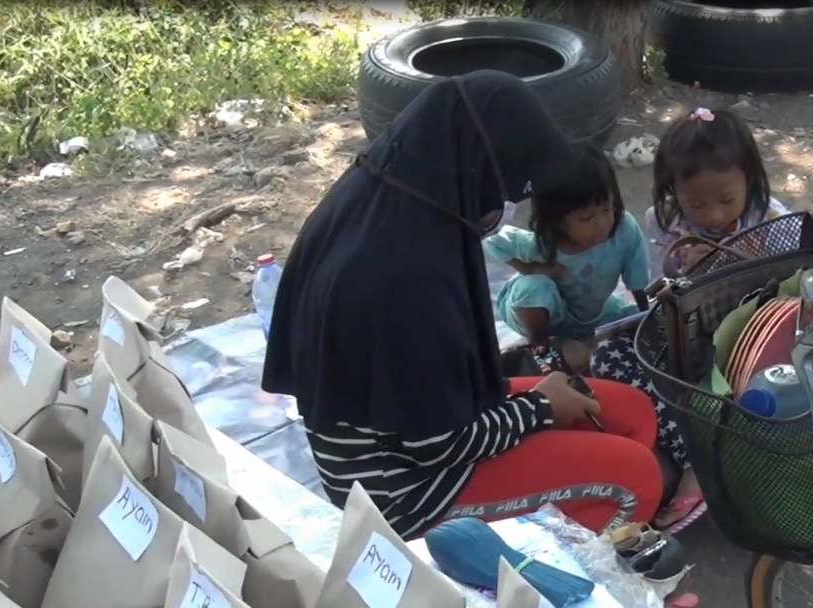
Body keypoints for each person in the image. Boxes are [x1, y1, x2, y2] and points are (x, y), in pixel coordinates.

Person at [261, 70, 663, 541]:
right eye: (509, 190)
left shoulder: (396, 195)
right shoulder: (407, 276)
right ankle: (554, 588)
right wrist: (538, 409)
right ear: (477, 170)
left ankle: (563, 517)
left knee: (633, 412)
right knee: (636, 477)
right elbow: (438, 444)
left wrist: (540, 402)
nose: (510, 205)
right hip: (404, 490)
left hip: (428, 423)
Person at [593, 105, 788, 534]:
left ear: (750, 182)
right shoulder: (662, 222)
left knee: (717, 384)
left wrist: (744, 261)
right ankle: (682, 453)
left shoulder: (771, 217)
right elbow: (658, 288)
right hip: (685, 335)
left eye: (726, 200)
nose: (715, 215)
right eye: (696, 203)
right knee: (609, 354)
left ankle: (697, 470)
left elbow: (795, 282)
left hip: (747, 342)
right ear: (673, 191)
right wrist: (684, 270)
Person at [484, 143, 650, 371]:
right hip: (541, 312)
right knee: (534, 287)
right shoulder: (541, 245)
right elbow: (491, 239)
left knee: (641, 322)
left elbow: (637, 274)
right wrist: (530, 269)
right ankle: (541, 342)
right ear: (558, 220)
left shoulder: (624, 229)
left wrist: (645, 311)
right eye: (587, 218)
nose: (602, 224)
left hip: (592, 315)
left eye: (607, 209)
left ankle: (573, 344)